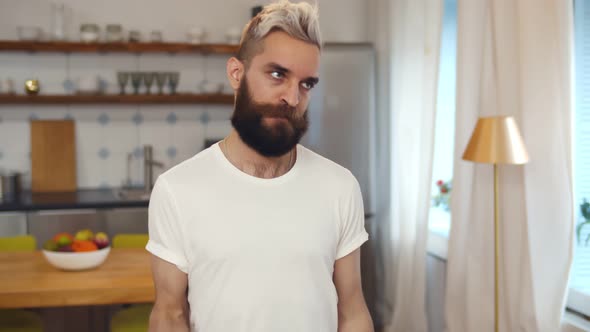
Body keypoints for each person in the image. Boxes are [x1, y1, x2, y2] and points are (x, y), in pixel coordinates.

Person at [146, 1, 373, 331]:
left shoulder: (339, 186)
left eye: (306, 84)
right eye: (277, 74)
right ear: (236, 73)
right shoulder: (177, 190)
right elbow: (169, 314)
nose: (292, 99)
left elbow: (352, 310)